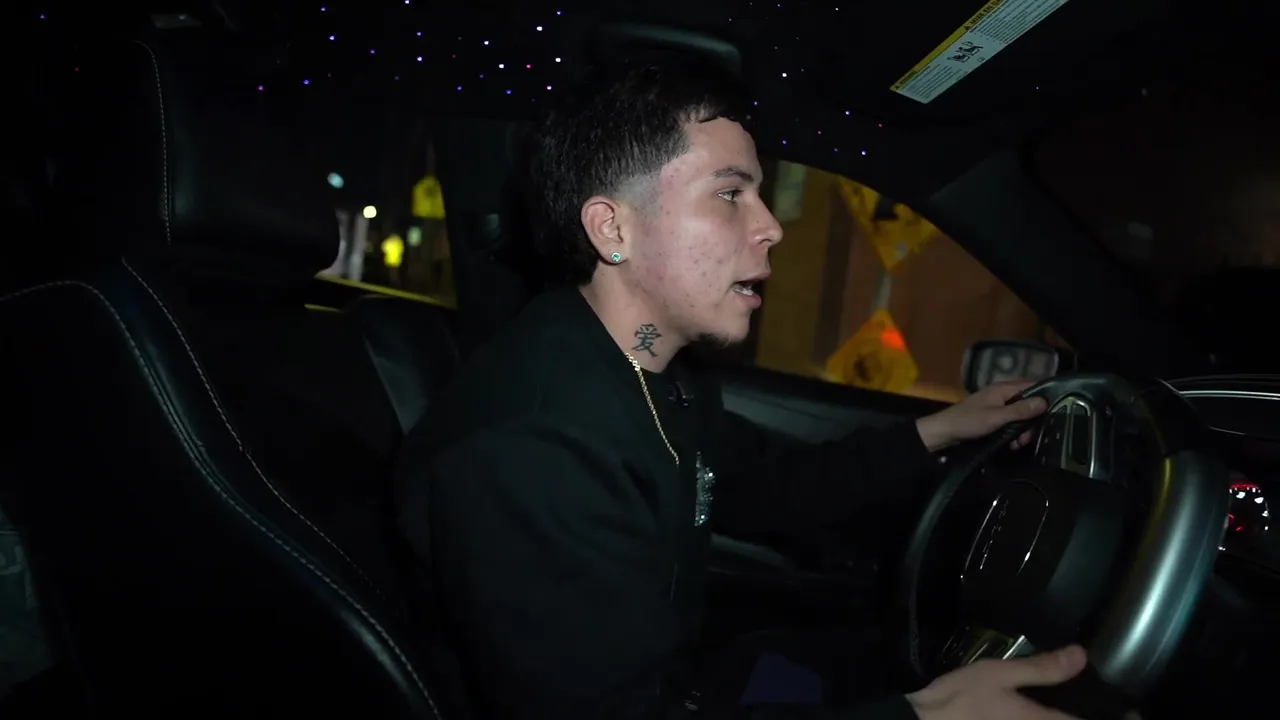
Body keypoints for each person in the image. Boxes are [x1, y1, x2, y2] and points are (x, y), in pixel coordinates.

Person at [394, 60, 1079, 719]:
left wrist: (943, 429)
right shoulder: (534, 447)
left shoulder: (653, 371)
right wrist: (922, 718)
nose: (770, 226)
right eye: (730, 194)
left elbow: (776, 485)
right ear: (612, 229)